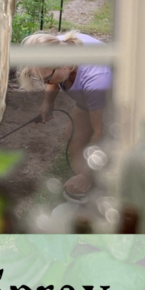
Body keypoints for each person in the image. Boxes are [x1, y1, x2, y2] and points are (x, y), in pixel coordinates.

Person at [19, 30, 112, 201]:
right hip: (89, 97)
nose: (45, 83)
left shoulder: (96, 80)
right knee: (74, 134)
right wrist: (48, 102)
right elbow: (52, 74)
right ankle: (86, 184)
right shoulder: (56, 45)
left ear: (65, 66)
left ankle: (96, 183)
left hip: (117, 100)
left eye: (46, 79)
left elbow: (101, 133)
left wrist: (85, 175)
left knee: (105, 138)